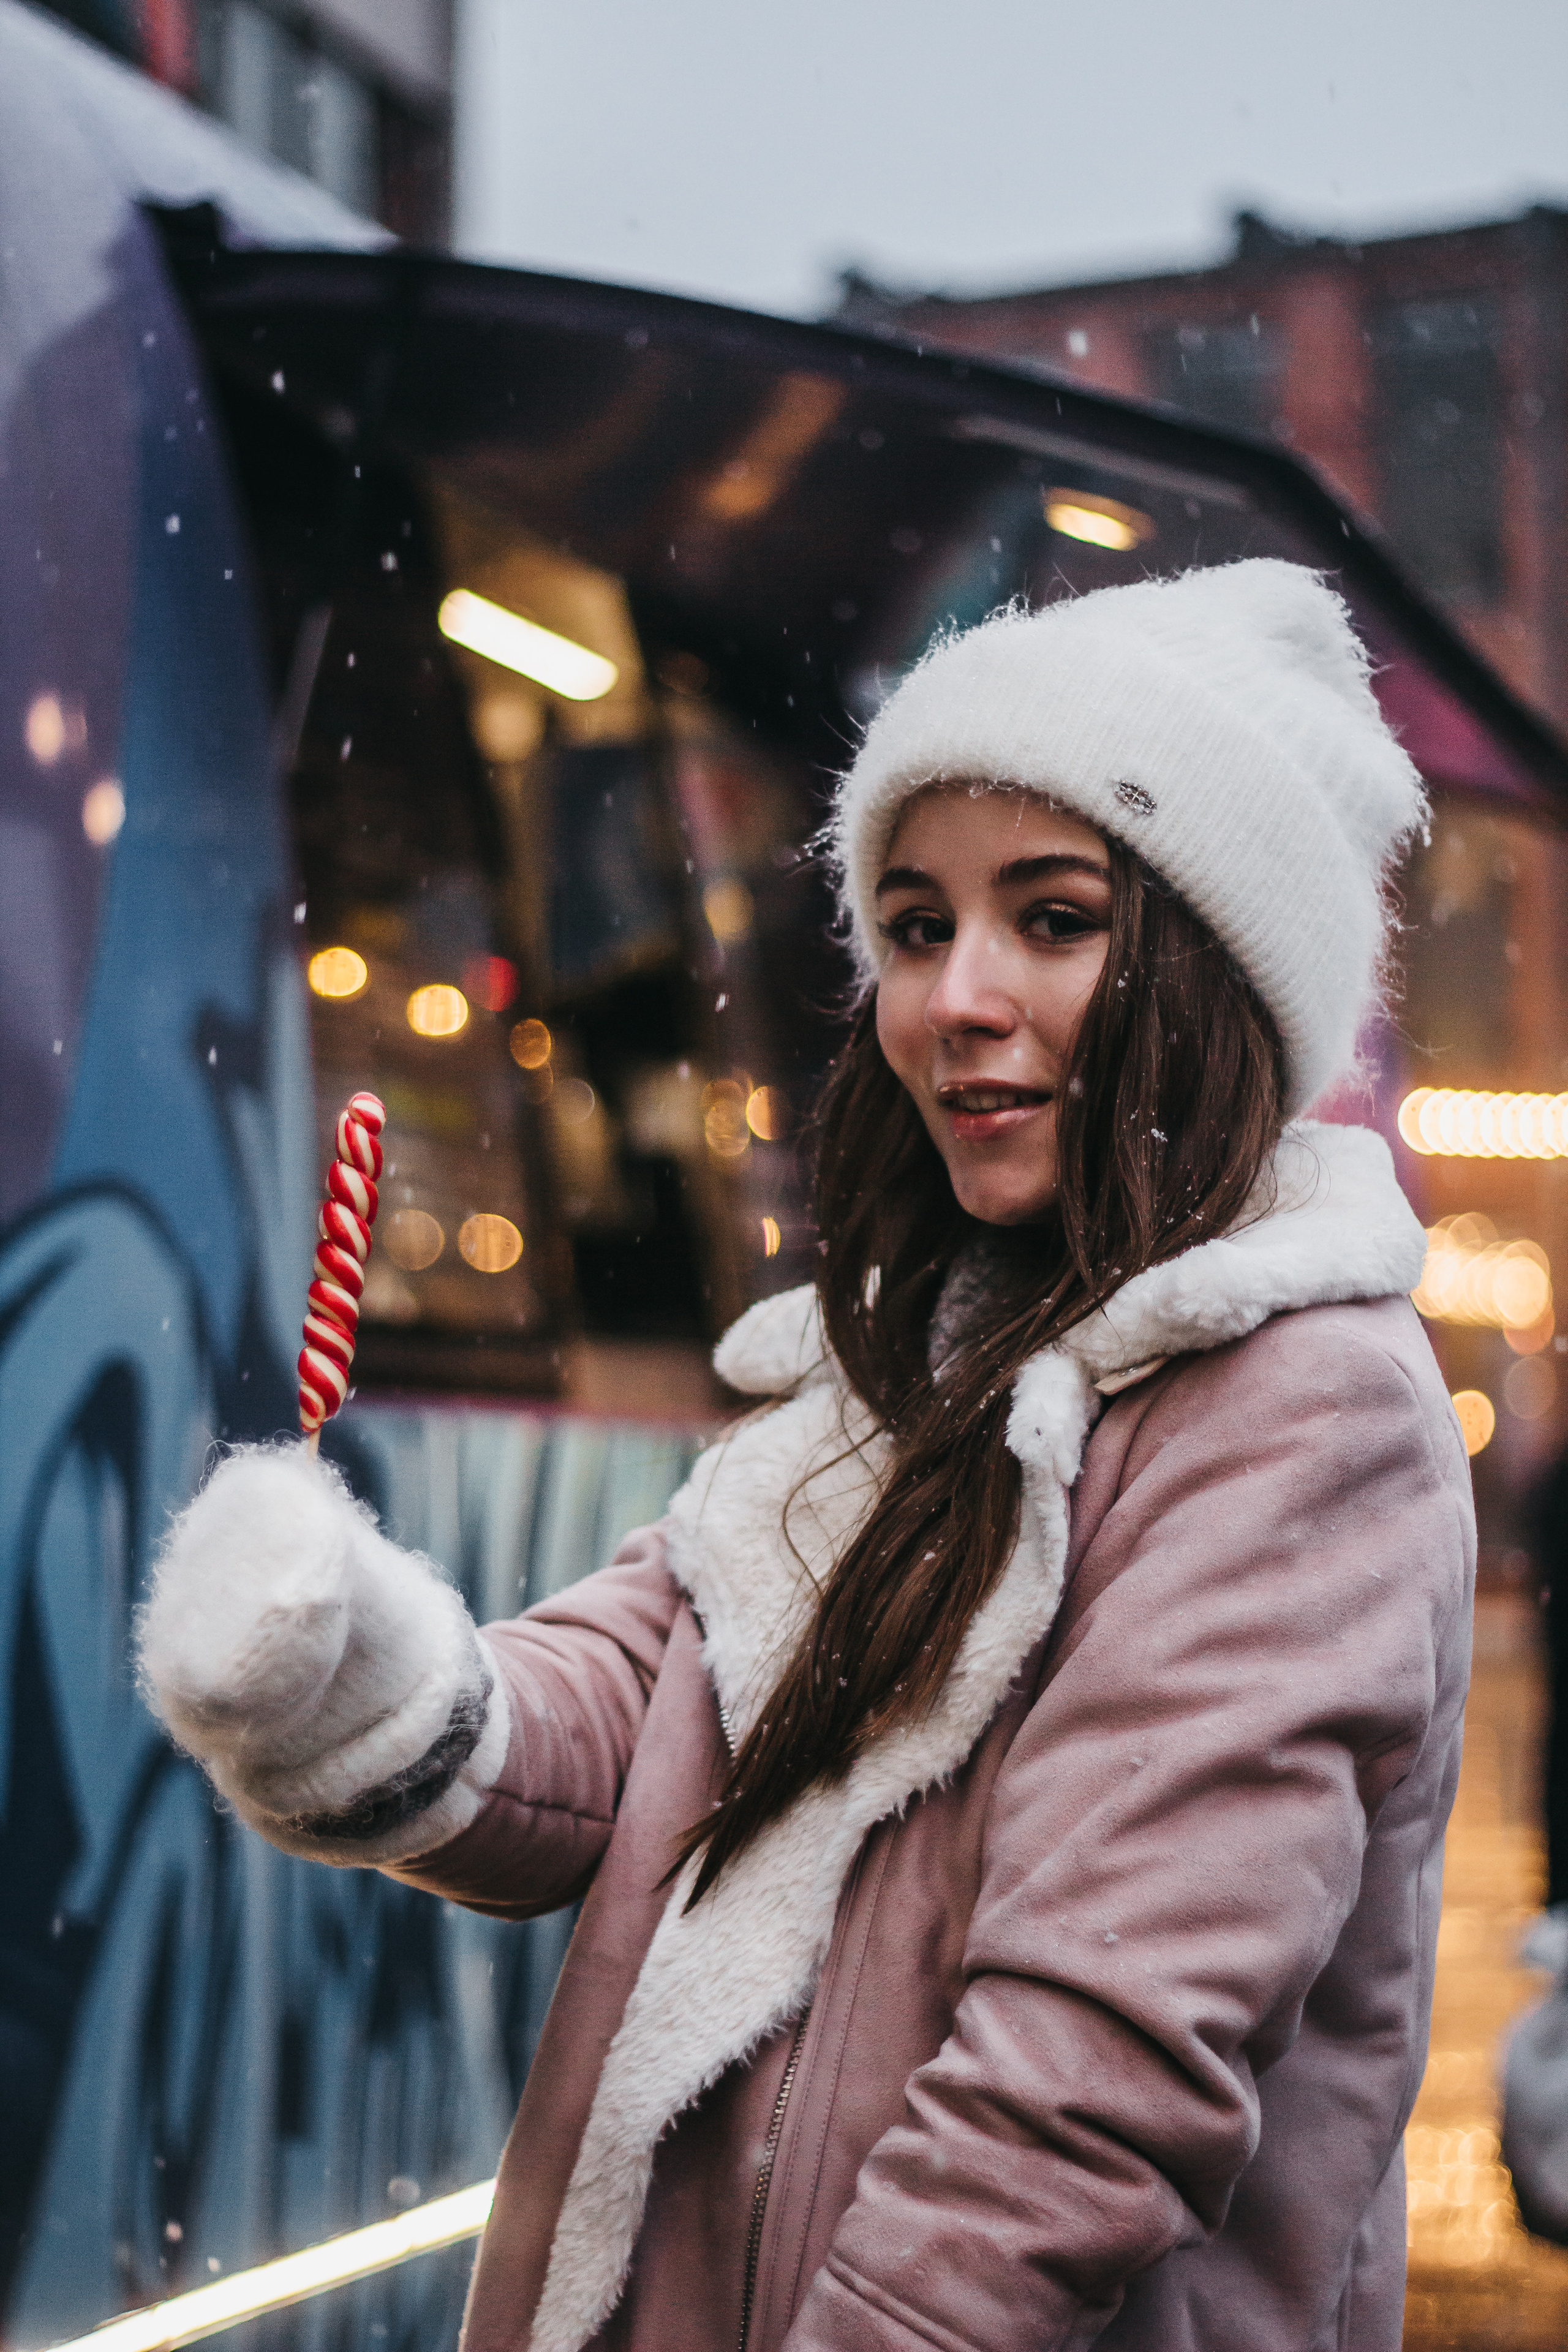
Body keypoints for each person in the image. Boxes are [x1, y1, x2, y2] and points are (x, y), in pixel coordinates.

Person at [140, 559, 1475, 2352]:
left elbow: (1081, 2094)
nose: (956, 1001)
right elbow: (641, 1704)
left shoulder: (1297, 1406)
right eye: (916, 926)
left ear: (1214, 967)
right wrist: (352, 1671)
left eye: (1056, 919)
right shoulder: (901, 1364)